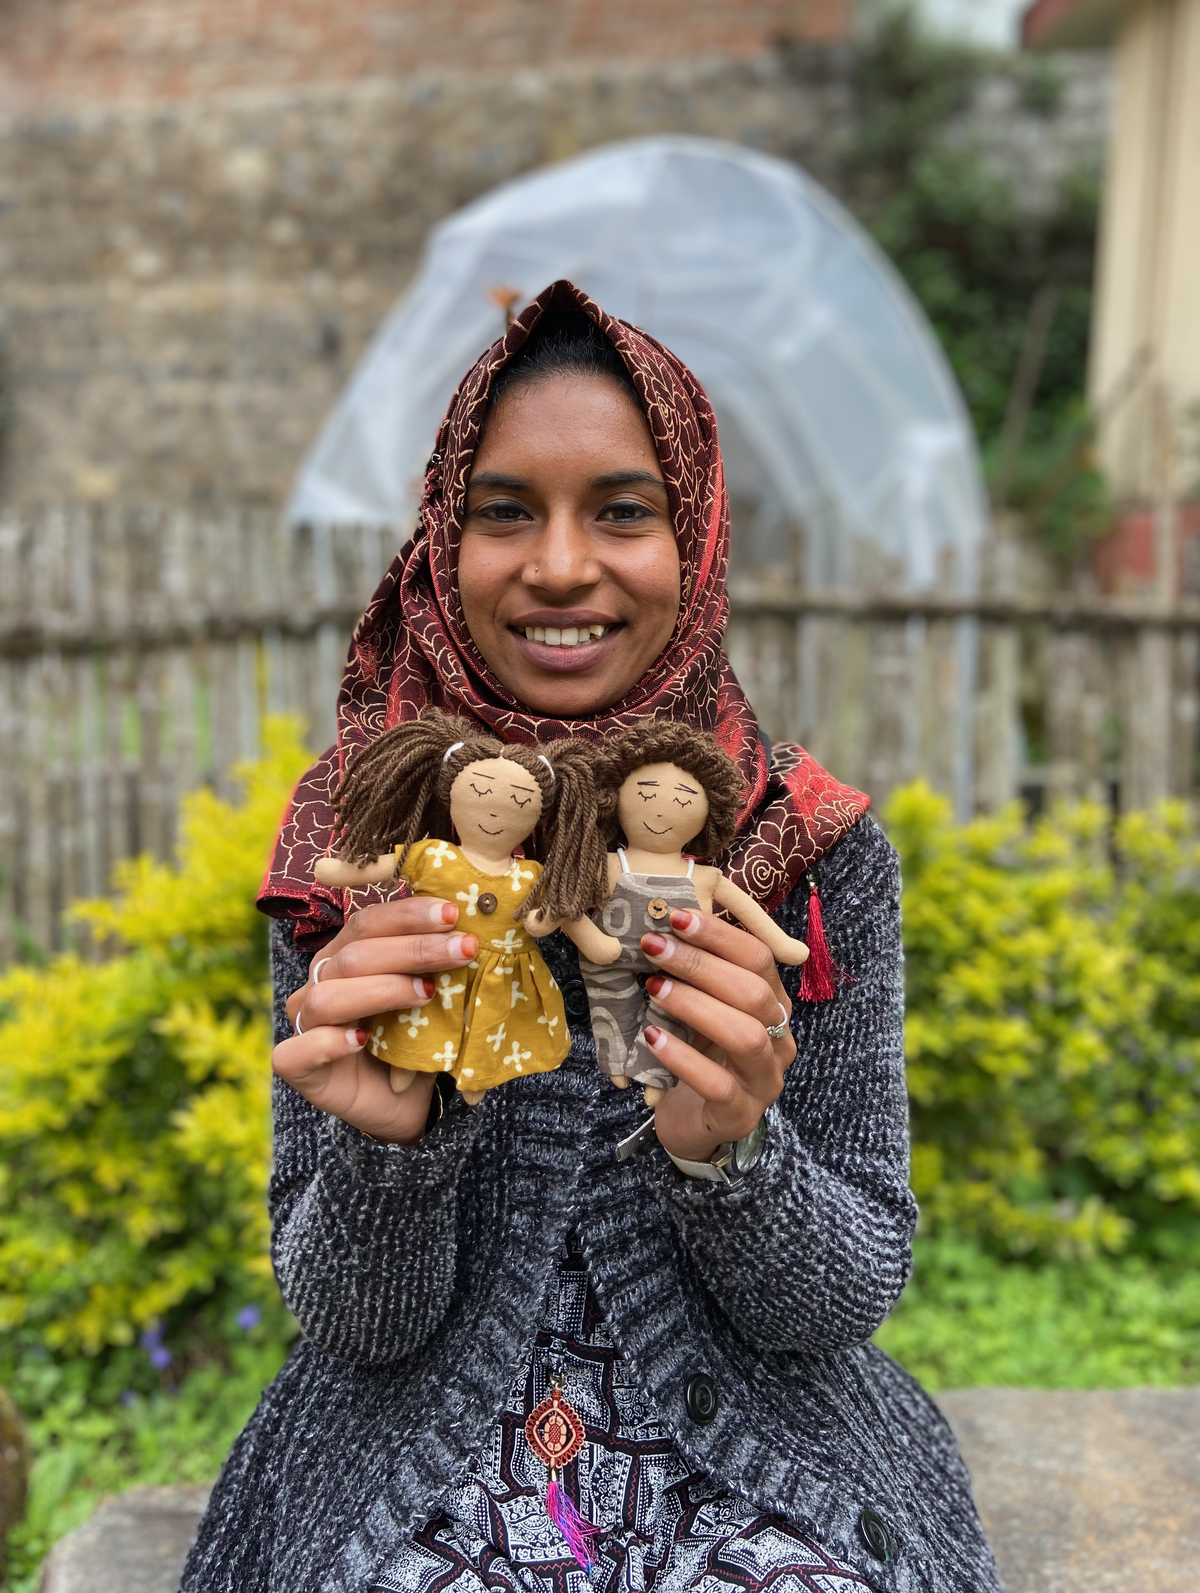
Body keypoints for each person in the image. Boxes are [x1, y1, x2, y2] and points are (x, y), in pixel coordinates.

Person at [181, 280, 999, 1593]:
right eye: (505, 510)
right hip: (417, 1456)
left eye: (623, 509)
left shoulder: (806, 847)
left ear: (701, 537)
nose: (560, 565)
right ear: (443, 544)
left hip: (754, 1451)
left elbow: (846, 1299)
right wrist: (390, 1151)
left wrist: (732, 1155)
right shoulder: (364, 849)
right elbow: (352, 1327)